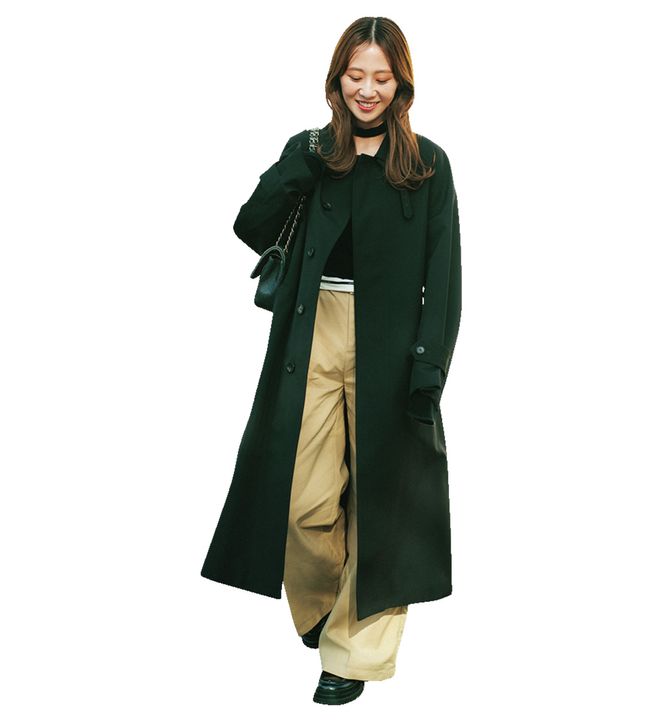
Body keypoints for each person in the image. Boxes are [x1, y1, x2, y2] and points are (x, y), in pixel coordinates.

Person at [201, 16, 462, 706]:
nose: (367, 89)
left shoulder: (427, 164)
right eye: (355, 75)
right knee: (300, 501)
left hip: (392, 345)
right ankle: (321, 609)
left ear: (401, 84)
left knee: (385, 505)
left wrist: (429, 366)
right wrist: (308, 160)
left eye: (382, 77)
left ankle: (355, 650)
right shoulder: (313, 149)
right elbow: (250, 225)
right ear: (337, 78)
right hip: (310, 335)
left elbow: (445, 274)